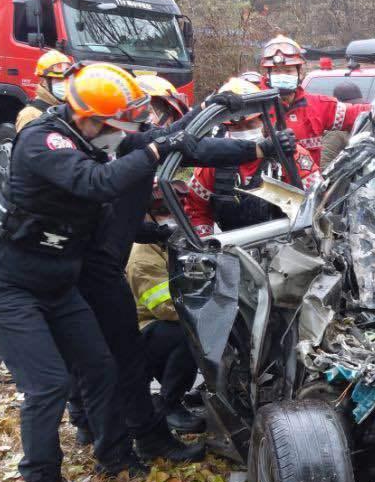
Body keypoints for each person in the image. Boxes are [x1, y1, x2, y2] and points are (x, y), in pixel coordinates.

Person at [0, 63, 194, 482]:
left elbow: (96, 214)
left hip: (57, 285)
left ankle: (115, 456)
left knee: (101, 366)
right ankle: (40, 481)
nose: (128, 134)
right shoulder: (43, 142)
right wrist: (151, 153)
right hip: (5, 286)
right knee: (48, 383)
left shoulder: (91, 140)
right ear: (93, 119)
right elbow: (96, 185)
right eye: (121, 126)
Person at [66, 74, 293, 460]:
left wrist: (256, 147)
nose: (150, 122)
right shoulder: (71, 152)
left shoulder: (126, 142)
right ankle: (97, 435)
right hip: (75, 271)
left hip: (103, 266)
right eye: (144, 114)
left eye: (153, 114)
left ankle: (140, 438)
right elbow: (105, 186)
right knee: (93, 359)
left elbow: (189, 144)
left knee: (122, 360)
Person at [184, 78, 319, 237]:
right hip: (233, 248)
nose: (244, 131)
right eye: (237, 127)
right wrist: (207, 245)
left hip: (284, 248)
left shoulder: (292, 155)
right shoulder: (211, 163)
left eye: (250, 125)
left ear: (263, 120)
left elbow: (317, 203)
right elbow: (196, 210)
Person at [127, 180, 203, 434]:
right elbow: (165, 308)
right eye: (161, 211)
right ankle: (169, 404)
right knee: (188, 335)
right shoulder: (142, 257)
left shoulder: (172, 242)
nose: (169, 217)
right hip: (146, 329)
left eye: (173, 209)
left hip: (166, 320)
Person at [260, 34, 369, 166]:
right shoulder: (256, 109)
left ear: (300, 73)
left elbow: (356, 114)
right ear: (268, 75)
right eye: (277, 71)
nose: (282, 75)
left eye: (288, 71)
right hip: (268, 184)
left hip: (307, 184)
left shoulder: (317, 106)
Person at [16, 50, 74, 131]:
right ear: (43, 81)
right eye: (59, 79)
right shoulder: (30, 115)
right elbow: (27, 142)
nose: (64, 83)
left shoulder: (70, 109)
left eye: (67, 79)